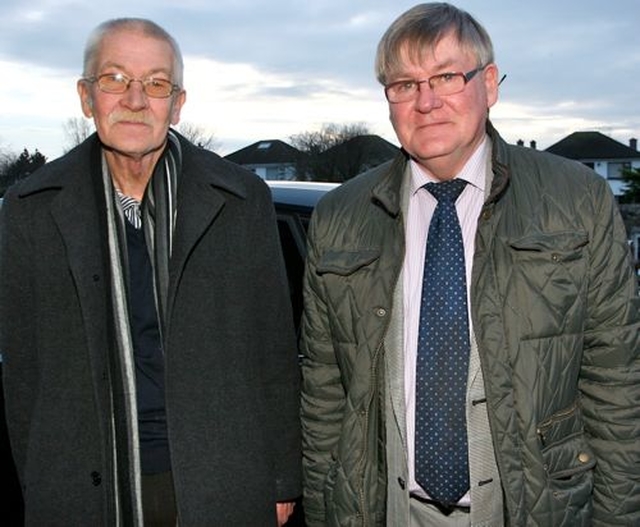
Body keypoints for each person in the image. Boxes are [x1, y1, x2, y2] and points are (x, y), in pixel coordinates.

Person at [299, 3, 640, 526]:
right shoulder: (339, 217)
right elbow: (325, 394)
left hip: (537, 506)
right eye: (405, 85)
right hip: (388, 510)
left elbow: (616, 382)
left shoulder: (576, 202)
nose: (427, 101)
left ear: (490, 84)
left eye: (446, 77)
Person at [0, 18, 301, 526]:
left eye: (156, 83)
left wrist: (280, 479)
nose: (136, 99)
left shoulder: (241, 201)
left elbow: (273, 352)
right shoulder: (30, 210)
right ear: (85, 95)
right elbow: (24, 373)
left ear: (177, 102)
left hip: (221, 483)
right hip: (80, 489)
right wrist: (41, 480)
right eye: (115, 78)